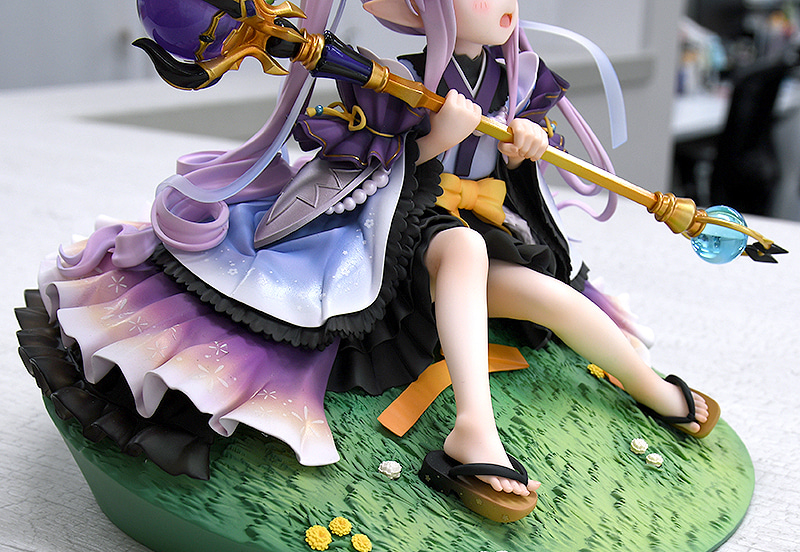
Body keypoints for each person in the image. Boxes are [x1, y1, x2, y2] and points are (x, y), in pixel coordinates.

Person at [21, 0, 719, 523]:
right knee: (463, 249)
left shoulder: (517, 80)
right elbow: (358, 169)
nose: (503, 4)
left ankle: (654, 390)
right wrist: (431, 140)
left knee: (551, 297)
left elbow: (516, 171)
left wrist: (525, 145)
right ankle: (474, 431)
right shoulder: (397, 83)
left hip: (477, 237)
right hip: (402, 239)